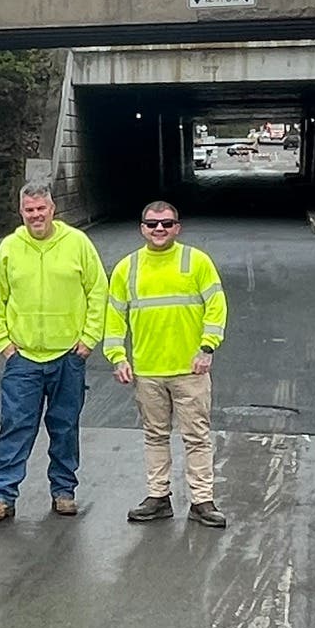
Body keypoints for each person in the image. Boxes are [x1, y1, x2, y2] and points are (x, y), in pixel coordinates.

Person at [0, 181, 107, 521]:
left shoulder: (77, 244)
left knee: (64, 427)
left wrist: (88, 339)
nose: (36, 215)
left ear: (53, 209)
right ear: (21, 212)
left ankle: (63, 491)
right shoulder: (9, 248)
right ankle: (2, 496)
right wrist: (5, 346)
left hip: (68, 356)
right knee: (15, 427)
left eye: (41, 209)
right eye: (29, 210)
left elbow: (98, 292)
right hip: (23, 359)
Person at [103, 201, 228, 529]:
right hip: (148, 370)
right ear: (142, 227)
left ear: (178, 227)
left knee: (197, 436)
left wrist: (207, 348)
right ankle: (158, 497)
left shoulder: (196, 262)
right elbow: (114, 317)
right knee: (155, 435)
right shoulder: (126, 268)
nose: (159, 229)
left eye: (167, 224)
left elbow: (216, 306)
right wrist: (117, 357)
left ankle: (202, 501)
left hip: (190, 369)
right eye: (152, 224)